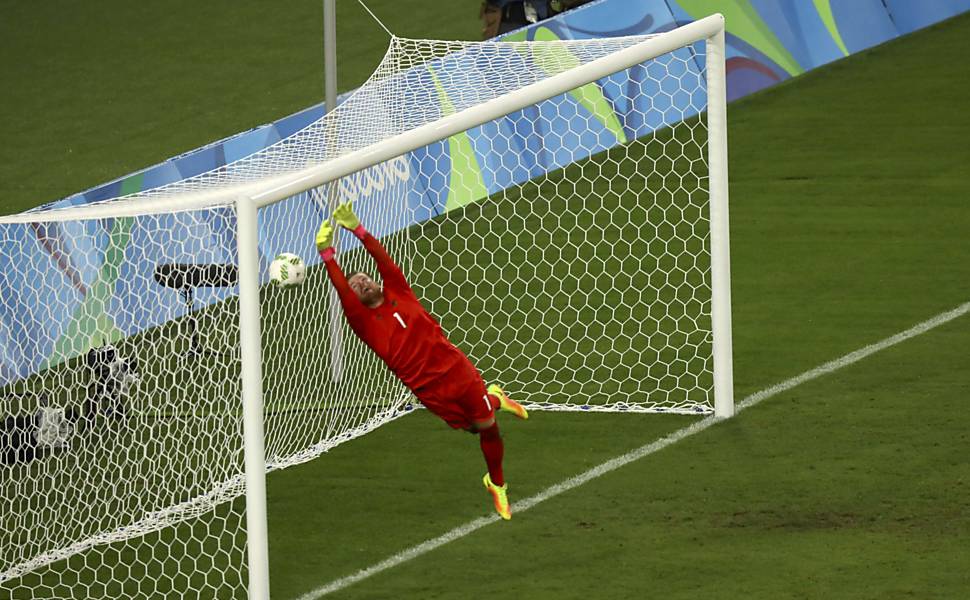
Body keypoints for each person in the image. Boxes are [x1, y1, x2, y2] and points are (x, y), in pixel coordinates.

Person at [316, 202, 529, 520]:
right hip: (428, 389)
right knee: (472, 427)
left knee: (487, 428)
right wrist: (327, 255)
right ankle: (495, 397)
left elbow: (383, 260)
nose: (362, 284)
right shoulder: (363, 323)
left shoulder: (399, 291)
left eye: (364, 280)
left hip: (458, 370)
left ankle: (497, 484)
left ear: (375, 282)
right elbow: (342, 291)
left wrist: (359, 230)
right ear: (355, 299)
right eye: (356, 287)